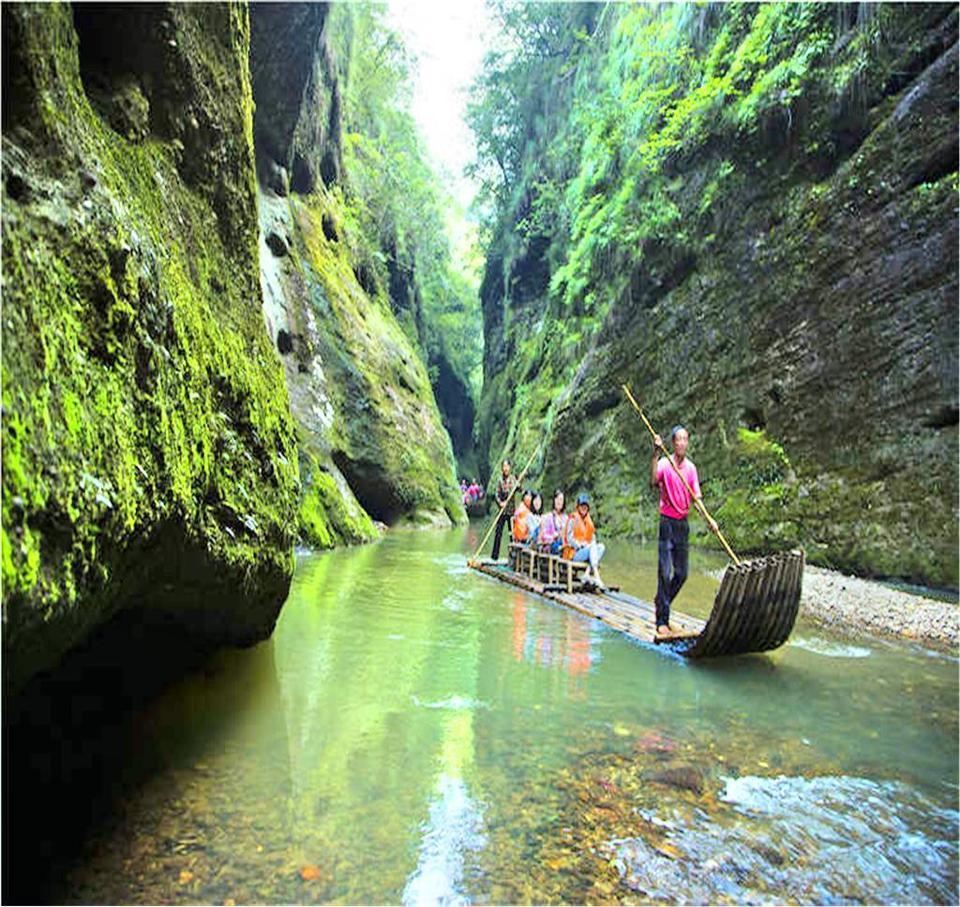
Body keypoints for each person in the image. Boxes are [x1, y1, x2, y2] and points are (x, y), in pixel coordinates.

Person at [650, 424, 717, 637]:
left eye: (685, 439)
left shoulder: (691, 468)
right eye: (678, 439)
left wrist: (709, 519)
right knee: (664, 571)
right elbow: (653, 481)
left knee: (682, 574)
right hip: (666, 522)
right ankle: (662, 619)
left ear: (687, 443)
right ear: (673, 443)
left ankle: (661, 601)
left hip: (682, 524)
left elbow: (696, 499)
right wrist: (655, 453)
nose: (681, 443)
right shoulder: (664, 464)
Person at [566, 492, 606, 589]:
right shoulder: (572, 519)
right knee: (592, 546)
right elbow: (569, 538)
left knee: (601, 547)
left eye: (585, 506)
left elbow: (593, 538)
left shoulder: (589, 522)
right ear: (578, 507)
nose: (584, 508)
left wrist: (589, 545)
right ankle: (596, 575)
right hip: (575, 553)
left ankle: (587, 573)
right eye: (582, 506)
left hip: (588, 551)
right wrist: (579, 545)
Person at [490, 459, 516, 559]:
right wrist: (500, 503)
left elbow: (519, 488)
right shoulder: (499, 480)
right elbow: (496, 494)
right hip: (502, 511)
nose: (505, 468)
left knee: (512, 535)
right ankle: (494, 556)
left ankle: (513, 557)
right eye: (504, 467)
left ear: (509, 468)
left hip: (511, 512)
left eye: (507, 466)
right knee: (498, 533)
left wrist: (519, 484)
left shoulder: (513, 479)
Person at [539, 489, 569, 556]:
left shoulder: (566, 518)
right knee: (556, 546)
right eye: (557, 499)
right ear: (554, 501)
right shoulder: (547, 517)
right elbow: (542, 536)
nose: (559, 502)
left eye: (561, 500)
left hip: (563, 543)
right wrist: (554, 536)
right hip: (551, 545)